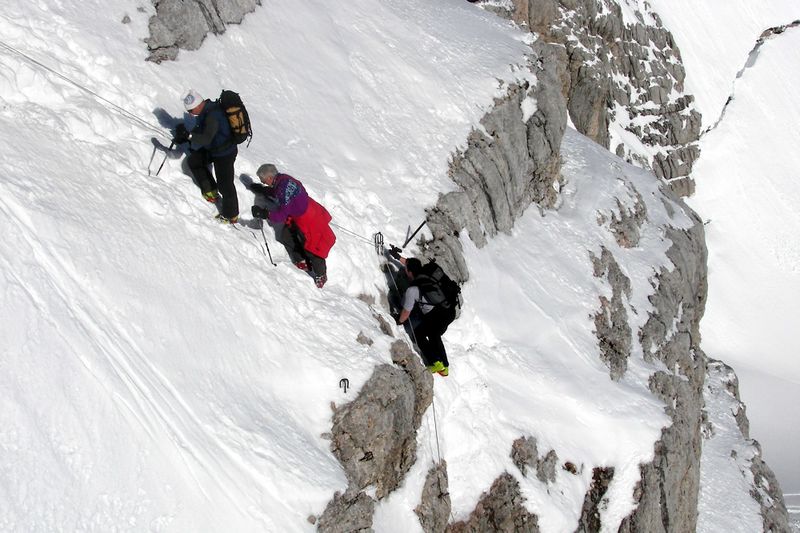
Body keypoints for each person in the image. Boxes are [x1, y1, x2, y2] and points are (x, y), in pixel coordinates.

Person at [250, 164, 335, 288]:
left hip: (308, 219)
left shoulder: (282, 190)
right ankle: (301, 261)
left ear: (269, 178)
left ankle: (321, 275)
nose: (262, 182)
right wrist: (264, 190)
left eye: (262, 180)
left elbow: (281, 215)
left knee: (313, 249)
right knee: (286, 236)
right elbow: (281, 192)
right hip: (305, 211)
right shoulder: (283, 179)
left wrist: (264, 213)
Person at [172, 89, 240, 224]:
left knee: (225, 185)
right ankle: (211, 191)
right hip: (214, 149)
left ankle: (231, 215)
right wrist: (185, 137)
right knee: (194, 161)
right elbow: (202, 130)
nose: (190, 114)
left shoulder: (212, 115)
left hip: (225, 153)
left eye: (191, 110)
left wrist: (189, 136)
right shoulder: (207, 109)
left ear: (197, 105)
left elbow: (206, 138)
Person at [391, 251, 457, 376]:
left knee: (421, 333)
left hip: (439, 315)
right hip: (449, 309)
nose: (405, 271)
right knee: (433, 334)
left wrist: (398, 320)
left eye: (406, 269)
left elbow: (406, 312)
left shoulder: (413, 290)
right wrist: (398, 257)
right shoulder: (426, 272)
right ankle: (444, 366)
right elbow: (410, 264)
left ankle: (437, 363)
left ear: (409, 272)